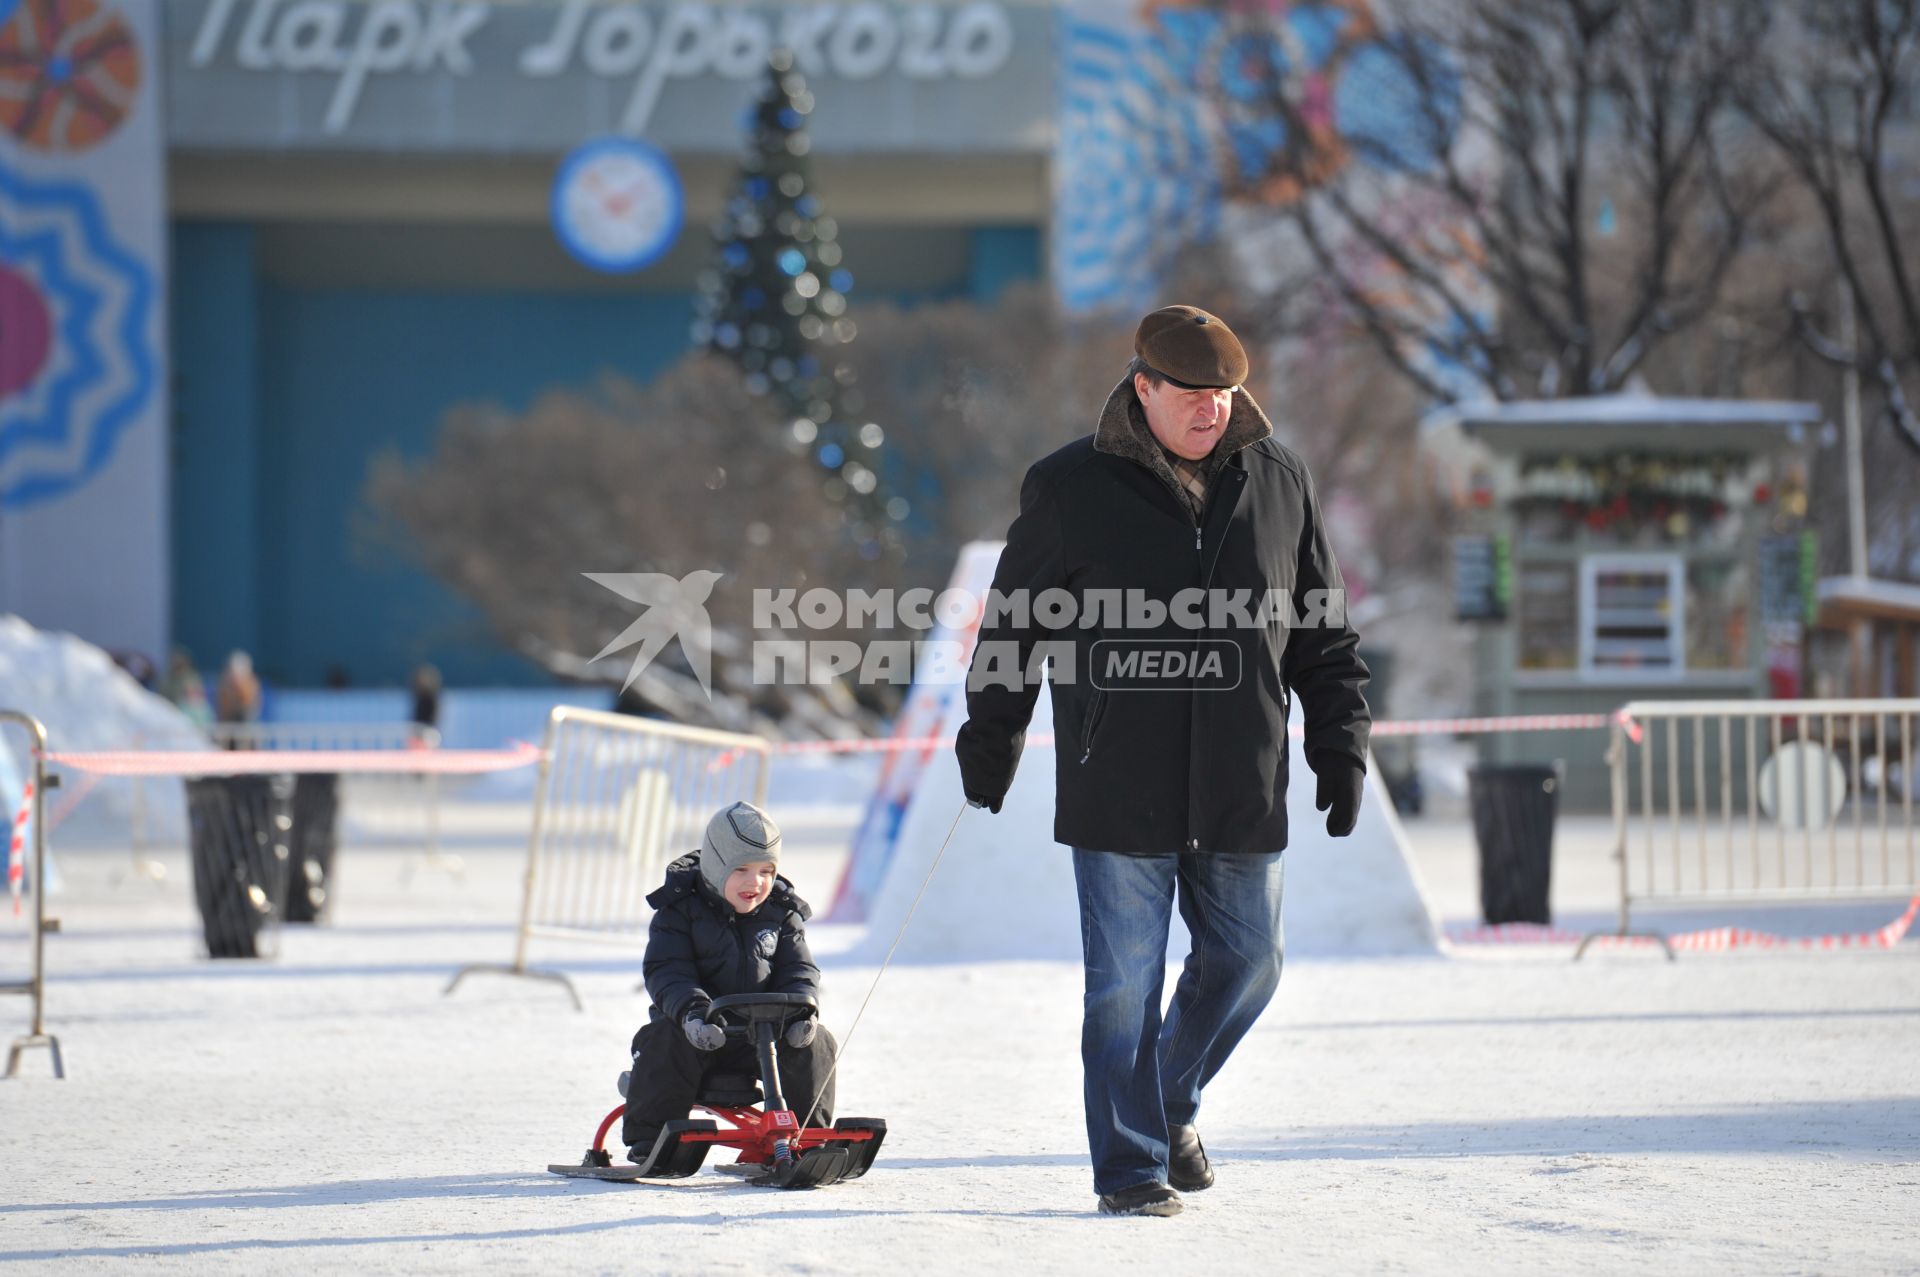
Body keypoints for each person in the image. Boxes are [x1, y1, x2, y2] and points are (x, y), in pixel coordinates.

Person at [955, 304, 1371, 1217]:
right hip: (1120, 783)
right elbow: (1015, 627)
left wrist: (1341, 741)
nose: (1211, 409)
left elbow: (1323, 633)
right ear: (1142, 386)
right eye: (1191, 392)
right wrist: (992, 738)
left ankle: (1169, 1099)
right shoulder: (1070, 486)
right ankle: (1132, 1164)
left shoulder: (1280, 478)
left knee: (1250, 962)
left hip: (1242, 778)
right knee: (1122, 993)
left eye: (1224, 392)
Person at [623, 800, 835, 1163]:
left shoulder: (781, 913)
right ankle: (652, 1141)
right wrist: (693, 1014)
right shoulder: (679, 911)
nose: (756, 882)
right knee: (661, 1040)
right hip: (698, 1035)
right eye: (742, 869)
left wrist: (803, 1012)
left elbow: (800, 969)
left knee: (819, 1043)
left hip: (762, 1039)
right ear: (717, 864)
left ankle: (806, 1138)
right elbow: (667, 970)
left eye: (767, 870)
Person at [213, 650, 262, 725]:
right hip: (226, 725)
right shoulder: (223, 685)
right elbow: (222, 710)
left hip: (245, 725)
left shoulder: (252, 684)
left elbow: (250, 710)